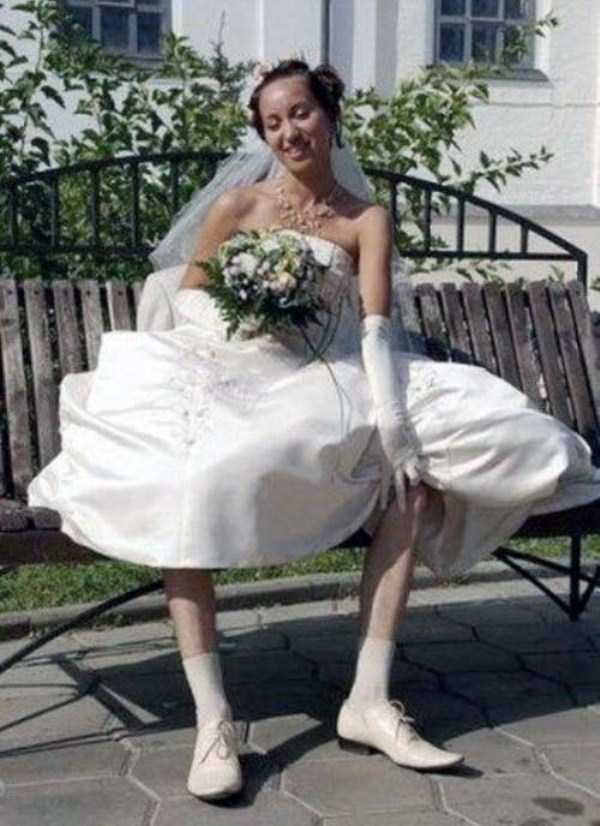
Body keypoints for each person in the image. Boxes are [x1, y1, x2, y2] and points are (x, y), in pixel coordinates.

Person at [27, 58, 600, 802]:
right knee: (186, 477)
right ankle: (214, 718)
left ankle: (369, 698)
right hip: (240, 365)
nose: (288, 132)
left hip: (331, 374)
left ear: (328, 115)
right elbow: (189, 297)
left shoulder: (366, 220)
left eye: (299, 113)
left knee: (414, 474)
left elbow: (375, 325)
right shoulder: (238, 205)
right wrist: (251, 306)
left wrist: (394, 419)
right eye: (272, 123)